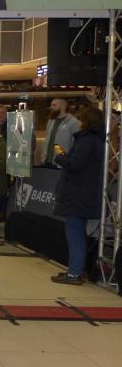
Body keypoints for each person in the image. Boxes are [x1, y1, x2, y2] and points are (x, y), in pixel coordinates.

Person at [51, 106, 104, 285]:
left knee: (75, 235)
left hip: (77, 194)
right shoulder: (97, 140)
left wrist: (60, 155)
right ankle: (76, 270)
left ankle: (74, 272)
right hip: (85, 193)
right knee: (78, 234)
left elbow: (74, 164)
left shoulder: (86, 140)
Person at [43, 98, 80, 166]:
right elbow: (48, 140)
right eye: (51, 105)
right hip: (46, 161)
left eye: (54, 105)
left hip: (62, 162)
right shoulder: (50, 121)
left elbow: (76, 144)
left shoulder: (74, 122)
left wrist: (68, 160)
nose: (51, 107)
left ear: (63, 106)